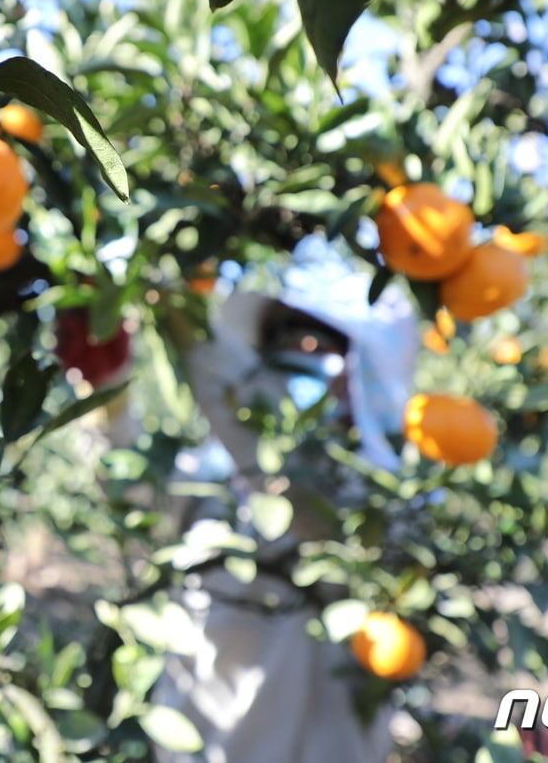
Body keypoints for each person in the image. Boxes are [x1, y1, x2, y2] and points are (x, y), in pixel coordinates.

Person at [150, 259, 420, 763]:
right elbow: (140, 507)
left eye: (317, 342)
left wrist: (174, 310)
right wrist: (107, 401)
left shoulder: (383, 497)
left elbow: (294, 485)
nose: (298, 356)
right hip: (207, 739)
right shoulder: (209, 468)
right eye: (283, 339)